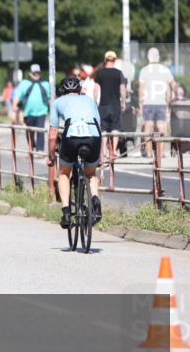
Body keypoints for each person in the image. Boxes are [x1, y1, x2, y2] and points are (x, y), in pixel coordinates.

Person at [46, 76, 103, 227]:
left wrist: (51, 156)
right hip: (93, 136)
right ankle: (95, 199)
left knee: (64, 173)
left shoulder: (58, 102)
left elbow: (52, 135)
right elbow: (99, 129)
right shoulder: (90, 101)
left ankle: (65, 212)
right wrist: (99, 157)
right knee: (91, 173)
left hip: (72, 137)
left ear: (62, 91)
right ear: (79, 89)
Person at [137, 47, 177, 159]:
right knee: (161, 128)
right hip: (161, 103)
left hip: (148, 102)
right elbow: (173, 85)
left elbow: (141, 88)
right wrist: (170, 99)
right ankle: (159, 153)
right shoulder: (165, 69)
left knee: (148, 128)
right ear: (158, 57)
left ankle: (149, 153)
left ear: (148, 57)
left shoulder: (144, 70)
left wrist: (140, 103)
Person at [93, 50, 128, 166]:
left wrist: (94, 101)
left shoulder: (100, 73)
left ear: (105, 60)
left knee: (103, 130)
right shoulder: (119, 73)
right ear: (114, 60)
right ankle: (113, 153)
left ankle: (104, 152)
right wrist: (123, 101)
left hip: (103, 105)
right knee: (115, 129)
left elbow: (96, 89)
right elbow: (122, 88)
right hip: (115, 105)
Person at [13, 64, 51, 151]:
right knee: (29, 131)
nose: (36, 75)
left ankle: (40, 149)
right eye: (34, 73)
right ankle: (31, 146)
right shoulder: (24, 83)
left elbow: (50, 98)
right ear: (30, 73)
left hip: (42, 112)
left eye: (38, 73)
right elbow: (18, 95)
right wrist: (14, 105)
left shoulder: (45, 84)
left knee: (40, 130)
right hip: (28, 112)